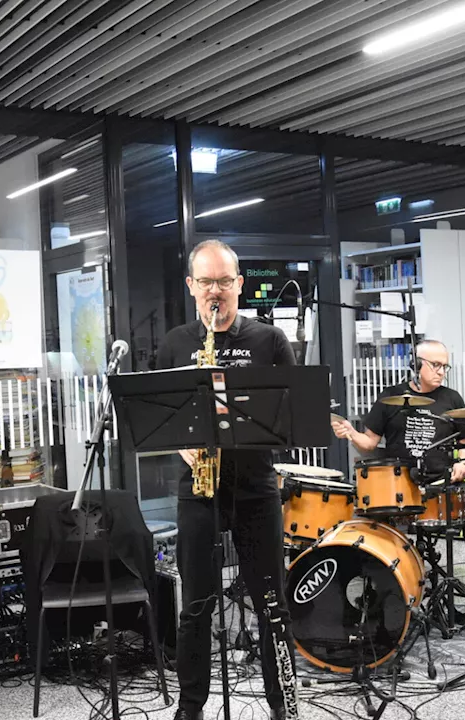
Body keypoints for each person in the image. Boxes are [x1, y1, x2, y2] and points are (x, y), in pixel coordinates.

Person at [156, 240, 296, 720]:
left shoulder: (269, 340)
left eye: (224, 281)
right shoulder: (175, 342)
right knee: (195, 605)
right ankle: (190, 708)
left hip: (256, 488)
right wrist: (184, 444)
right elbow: (161, 413)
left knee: (271, 603)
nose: (215, 291)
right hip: (199, 489)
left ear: (239, 283)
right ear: (190, 286)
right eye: (205, 282)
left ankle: (285, 706)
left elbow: (290, 414)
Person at [332, 340, 465, 615]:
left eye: (445, 366)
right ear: (415, 364)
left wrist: (462, 464)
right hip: (400, 483)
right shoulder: (390, 397)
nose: (442, 371)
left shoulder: (451, 398)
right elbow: (369, 443)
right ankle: (385, 596)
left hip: (442, 481)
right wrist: (350, 433)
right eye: (435, 365)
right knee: (373, 523)